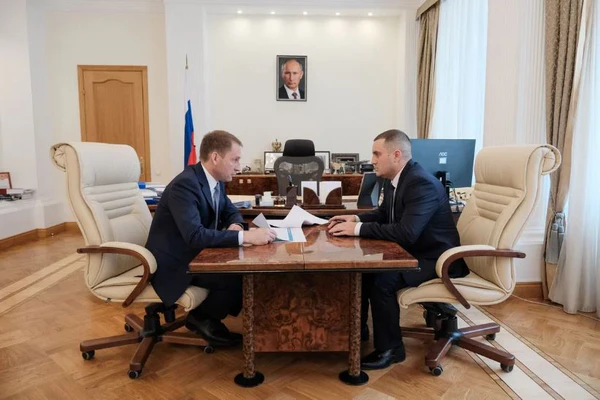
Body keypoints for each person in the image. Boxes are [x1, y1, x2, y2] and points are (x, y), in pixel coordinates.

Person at [328, 129, 469, 370]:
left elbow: (406, 232)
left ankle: (392, 349)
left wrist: (356, 230)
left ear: (396, 155)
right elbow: (385, 214)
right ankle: (358, 331)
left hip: (437, 259)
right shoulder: (396, 179)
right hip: (415, 251)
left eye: (377, 154)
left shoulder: (420, 183)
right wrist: (355, 218)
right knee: (364, 271)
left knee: (382, 280)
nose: (372, 160)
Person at [146, 130, 277, 347]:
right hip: (175, 264)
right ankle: (202, 317)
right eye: (235, 160)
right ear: (215, 157)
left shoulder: (215, 181)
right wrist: (245, 236)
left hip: (197, 253)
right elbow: (195, 236)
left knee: (246, 267)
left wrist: (236, 225)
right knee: (242, 275)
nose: (239, 167)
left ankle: (209, 314)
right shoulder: (185, 185)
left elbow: (231, 211)